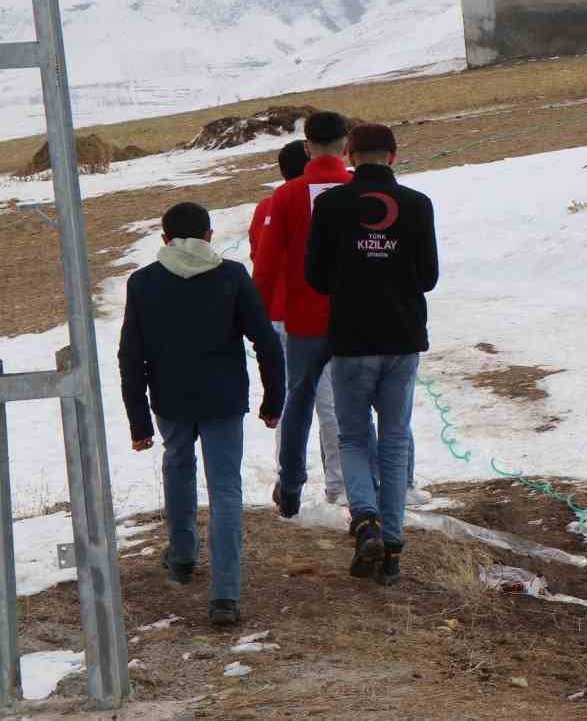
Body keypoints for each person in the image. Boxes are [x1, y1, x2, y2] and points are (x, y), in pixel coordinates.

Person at [118, 202, 285, 629]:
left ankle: (182, 557)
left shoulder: (143, 282)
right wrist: (273, 401)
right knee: (226, 489)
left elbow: (130, 355)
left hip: (171, 401)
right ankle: (225, 596)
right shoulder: (231, 276)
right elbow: (265, 340)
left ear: (164, 239)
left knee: (177, 467)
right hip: (224, 399)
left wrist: (138, 422)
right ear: (210, 237)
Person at [306, 123, 439, 585]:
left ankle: (365, 522)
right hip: (402, 338)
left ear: (349, 155)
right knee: (396, 436)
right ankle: (395, 548)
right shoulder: (419, 205)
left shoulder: (329, 205)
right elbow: (428, 277)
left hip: (351, 339)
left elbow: (316, 277)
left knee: (353, 438)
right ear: (394, 156)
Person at [254, 111, 355, 519]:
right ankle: (351, 488)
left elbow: (265, 263)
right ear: (345, 146)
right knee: (350, 405)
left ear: (308, 146)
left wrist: (257, 318)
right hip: (357, 318)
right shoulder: (360, 187)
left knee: (299, 402)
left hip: (304, 320)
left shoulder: (288, 195)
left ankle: (291, 486)